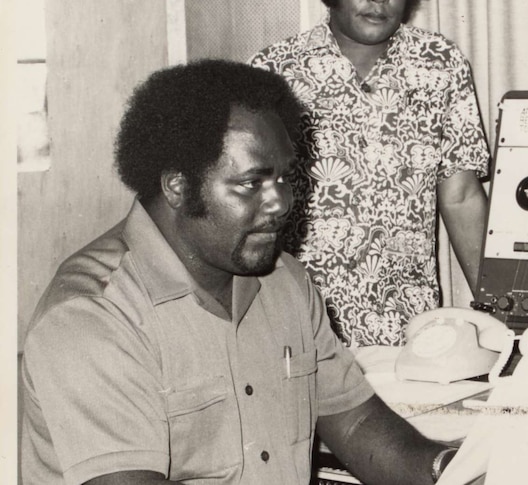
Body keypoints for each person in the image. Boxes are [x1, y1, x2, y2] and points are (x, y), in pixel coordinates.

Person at [20, 59, 457, 485]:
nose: (281, 203)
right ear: (177, 185)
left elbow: (358, 423)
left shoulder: (285, 283)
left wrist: (459, 470)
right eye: (252, 183)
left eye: (286, 178)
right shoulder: (91, 318)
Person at [249, 0, 490, 347]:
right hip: (300, 325)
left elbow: (462, 196)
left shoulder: (441, 63)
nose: (379, 2)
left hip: (409, 325)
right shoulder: (275, 70)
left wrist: (500, 308)